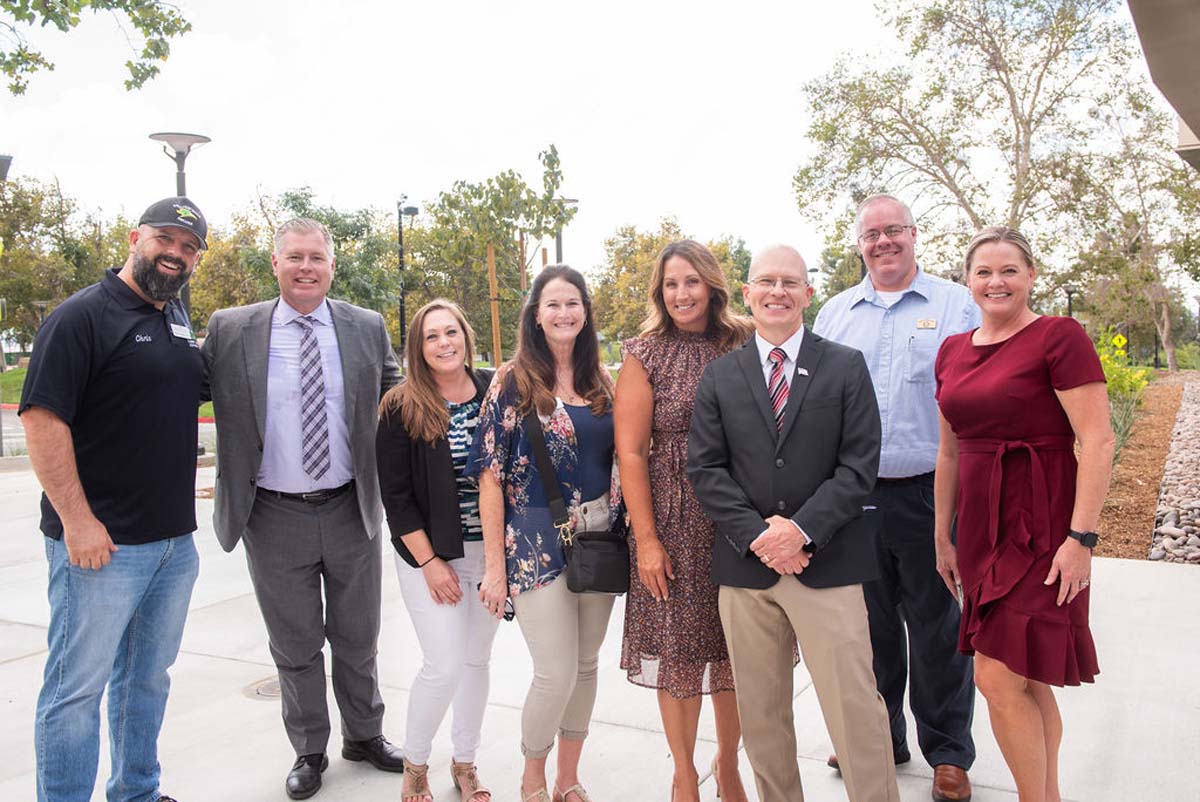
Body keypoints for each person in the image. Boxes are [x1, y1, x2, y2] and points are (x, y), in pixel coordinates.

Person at [687, 244, 899, 802]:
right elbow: (705, 469)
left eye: (789, 282)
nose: (777, 292)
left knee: (856, 709)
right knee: (762, 717)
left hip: (829, 565)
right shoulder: (721, 376)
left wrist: (799, 531)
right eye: (766, 281)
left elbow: (859, 466)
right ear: (748, 293)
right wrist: (763, 537)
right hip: (747, 569)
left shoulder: (845, 366)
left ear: (808, 293)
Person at [201, 218, 403, 800]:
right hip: (272, 515)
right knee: (295, 645)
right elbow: (175, 389)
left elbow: (400, 398)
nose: (306, 267)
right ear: (276, 263)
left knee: (358, 637)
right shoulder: (231, 329)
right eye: (295, 257)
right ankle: (309, 749)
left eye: (317, 257)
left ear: (332, 266)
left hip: (350, 509)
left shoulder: (365, 327)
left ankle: (364, 735)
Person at [22, 196, 208, 802]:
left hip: (172, 545)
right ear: (134, 238)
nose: (175, 253)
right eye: (165, 239)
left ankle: (136, 791)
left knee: (146, 680)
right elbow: (42, 419)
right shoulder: (81, 316)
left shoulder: (175, 315)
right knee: (75, 691)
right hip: (100, 548)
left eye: (189, 247)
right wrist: (77, 521)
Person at [934, 226, 1112, 802]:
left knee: (995, 674)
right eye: (984, 272)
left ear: (1031, 276)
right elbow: (949, 451)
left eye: (1009, 270)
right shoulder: (952, 350)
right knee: (1025, 675)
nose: (997, 281)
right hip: (980, 530)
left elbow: (1098, 440)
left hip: (1044, 528)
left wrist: (1081, 539)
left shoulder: (1059, 337)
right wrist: (943, 536)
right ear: (968, 281)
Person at [813, 194, 978, 801]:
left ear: (914, 234)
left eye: (893, 230)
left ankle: (949, 753)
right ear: (859, 244)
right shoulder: (834, 314)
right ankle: (879, 736)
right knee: (867, 627)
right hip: (853, 496)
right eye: (871, 234)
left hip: (933, 493)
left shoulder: (957, 305)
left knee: (939, 627)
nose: (883, 241)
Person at [469, 265, 618, 802]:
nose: (564, 313)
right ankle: (532, 778)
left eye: (573, 303)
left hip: (599, 537)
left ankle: (567, 779)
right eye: (552, 304)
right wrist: (495, 569)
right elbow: (489, 476)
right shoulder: (512, 380)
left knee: (585, 666)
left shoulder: (602, 380)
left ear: (585, 312)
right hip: (534, 542)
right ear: (536, 315)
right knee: (555, 672)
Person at [614, 240, 754, 802]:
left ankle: (729, 764)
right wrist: (647, 540)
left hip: (738, 517)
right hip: (671, 519)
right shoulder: (644, 353)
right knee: (679, 650)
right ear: (659, 292)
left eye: (691, 281)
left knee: (736, 647)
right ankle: (684, 773)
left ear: (712, 285)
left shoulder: (744, 341)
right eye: (671, 284)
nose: (681, 294)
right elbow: (630, 453)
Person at [376, 300, 498, 802]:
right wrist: (430, 563)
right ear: (418, 348)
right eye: (432, 336)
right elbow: (396, 498)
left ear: (466, 335)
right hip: (429, 556)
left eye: (452, 332)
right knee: (443, 665)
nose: (444, 343)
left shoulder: (495, 391)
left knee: (475, 662)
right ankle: (416, 765)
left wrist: (501, 563)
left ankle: (465, 764)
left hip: (490, 554)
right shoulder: (400, 406)